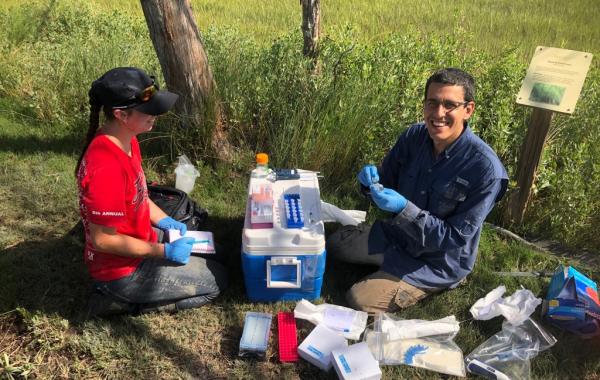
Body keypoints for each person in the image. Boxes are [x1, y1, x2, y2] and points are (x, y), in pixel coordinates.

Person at [327, 68, 508, 313]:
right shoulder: (414, 136)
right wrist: (370, 182)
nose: (438, 113)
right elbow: (385, 182)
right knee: (336, 244)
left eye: (449, 105)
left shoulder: (485, 170)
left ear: (468, 110)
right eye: (432, 103)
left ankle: (437, 282)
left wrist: (404, 208)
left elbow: (453, 238)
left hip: (436, 260)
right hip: (398, 236)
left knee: (360, 299)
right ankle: (385, 264)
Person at [76, 67, 227, 317]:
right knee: (217, 281)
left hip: (142, 239)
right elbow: (103, 240)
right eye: (148, 111)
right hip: (122, 271)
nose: (155, 116)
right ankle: (120, 301)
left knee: (219, 253)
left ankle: (139, 283)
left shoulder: (128, 139)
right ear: (121, 114)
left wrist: (166, 222)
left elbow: (140, 195)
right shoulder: (106, 167)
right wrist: (164, 252)